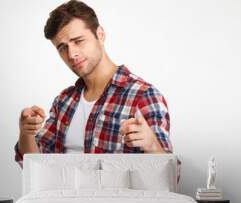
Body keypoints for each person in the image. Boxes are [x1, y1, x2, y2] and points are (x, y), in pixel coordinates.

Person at [15, 0, 175, 170]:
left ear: (100, 34)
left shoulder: (143, 96)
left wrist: (152, 146)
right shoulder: (63, 101)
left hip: (116, 196)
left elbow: (170, 177)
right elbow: (34, 167)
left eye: (78, 41)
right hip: (61, 195)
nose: (72, 54)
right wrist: (26, 133)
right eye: (62, 48)